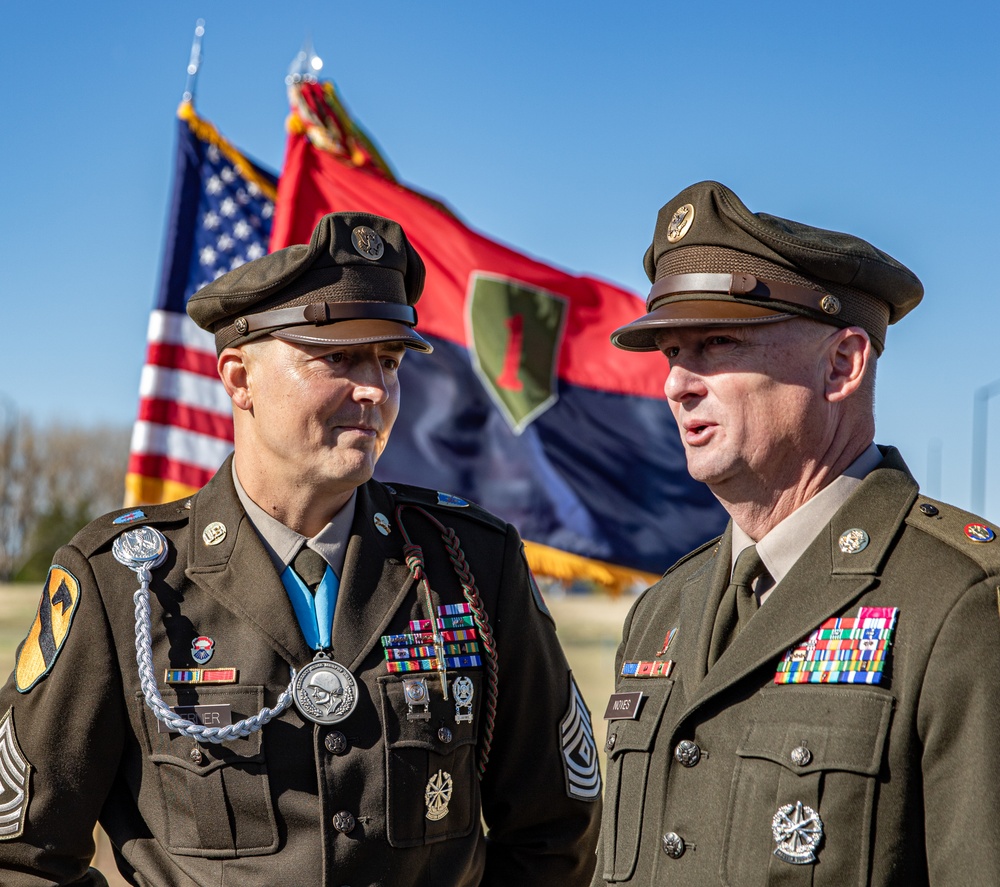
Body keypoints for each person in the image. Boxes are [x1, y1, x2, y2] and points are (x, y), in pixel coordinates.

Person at [0, 212, 601, 886]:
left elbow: (554, 833)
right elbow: (21, 854)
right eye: (338, 357)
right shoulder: (123, 581)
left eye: (390, 361)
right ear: (238, 380)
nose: (375, 388)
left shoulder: (470, 565)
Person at [594, 181, 1000, 886]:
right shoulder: (660, 612)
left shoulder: (960, 602)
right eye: (670, 352)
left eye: (718, 342)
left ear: (842, 365)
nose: (677, 383)